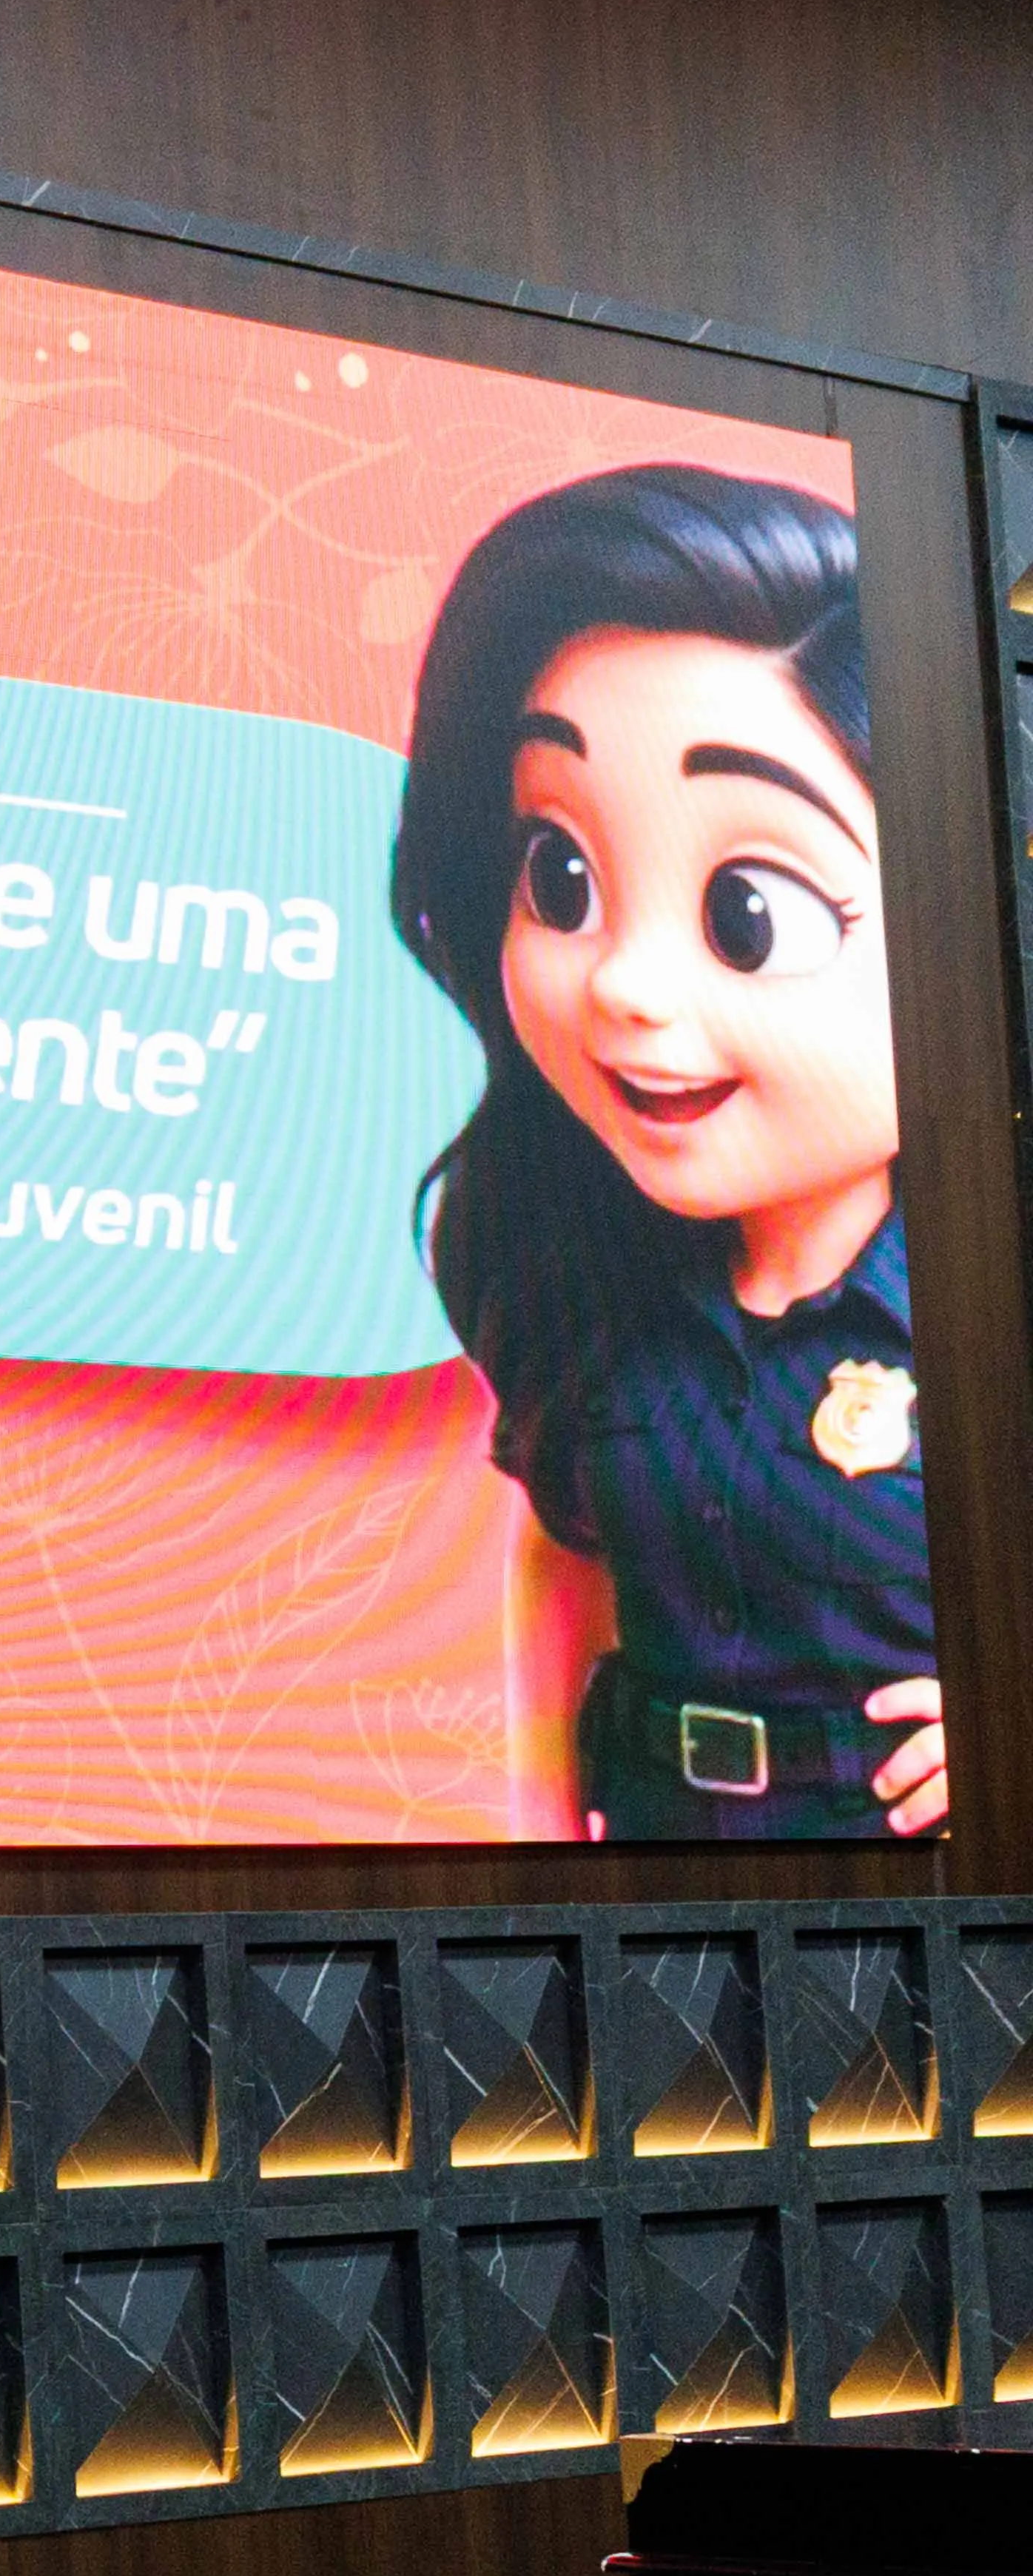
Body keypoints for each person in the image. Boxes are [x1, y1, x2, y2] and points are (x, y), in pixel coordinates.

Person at [386, 463, 938, 1841]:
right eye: (559, 876)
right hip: (660, 1901)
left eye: (748, 911)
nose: (625, 986)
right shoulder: (595, 1273)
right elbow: (567, 1578)